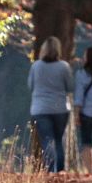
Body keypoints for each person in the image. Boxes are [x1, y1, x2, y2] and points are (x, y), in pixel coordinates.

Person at [28, 36, 73, 173]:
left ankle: (49, 168)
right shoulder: (64, 67)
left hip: (40, 109)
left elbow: (30, 85)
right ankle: (59, 170)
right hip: (60, 108)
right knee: (58, 140)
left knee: (47, 140)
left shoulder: (36, 66)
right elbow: (70, 87)